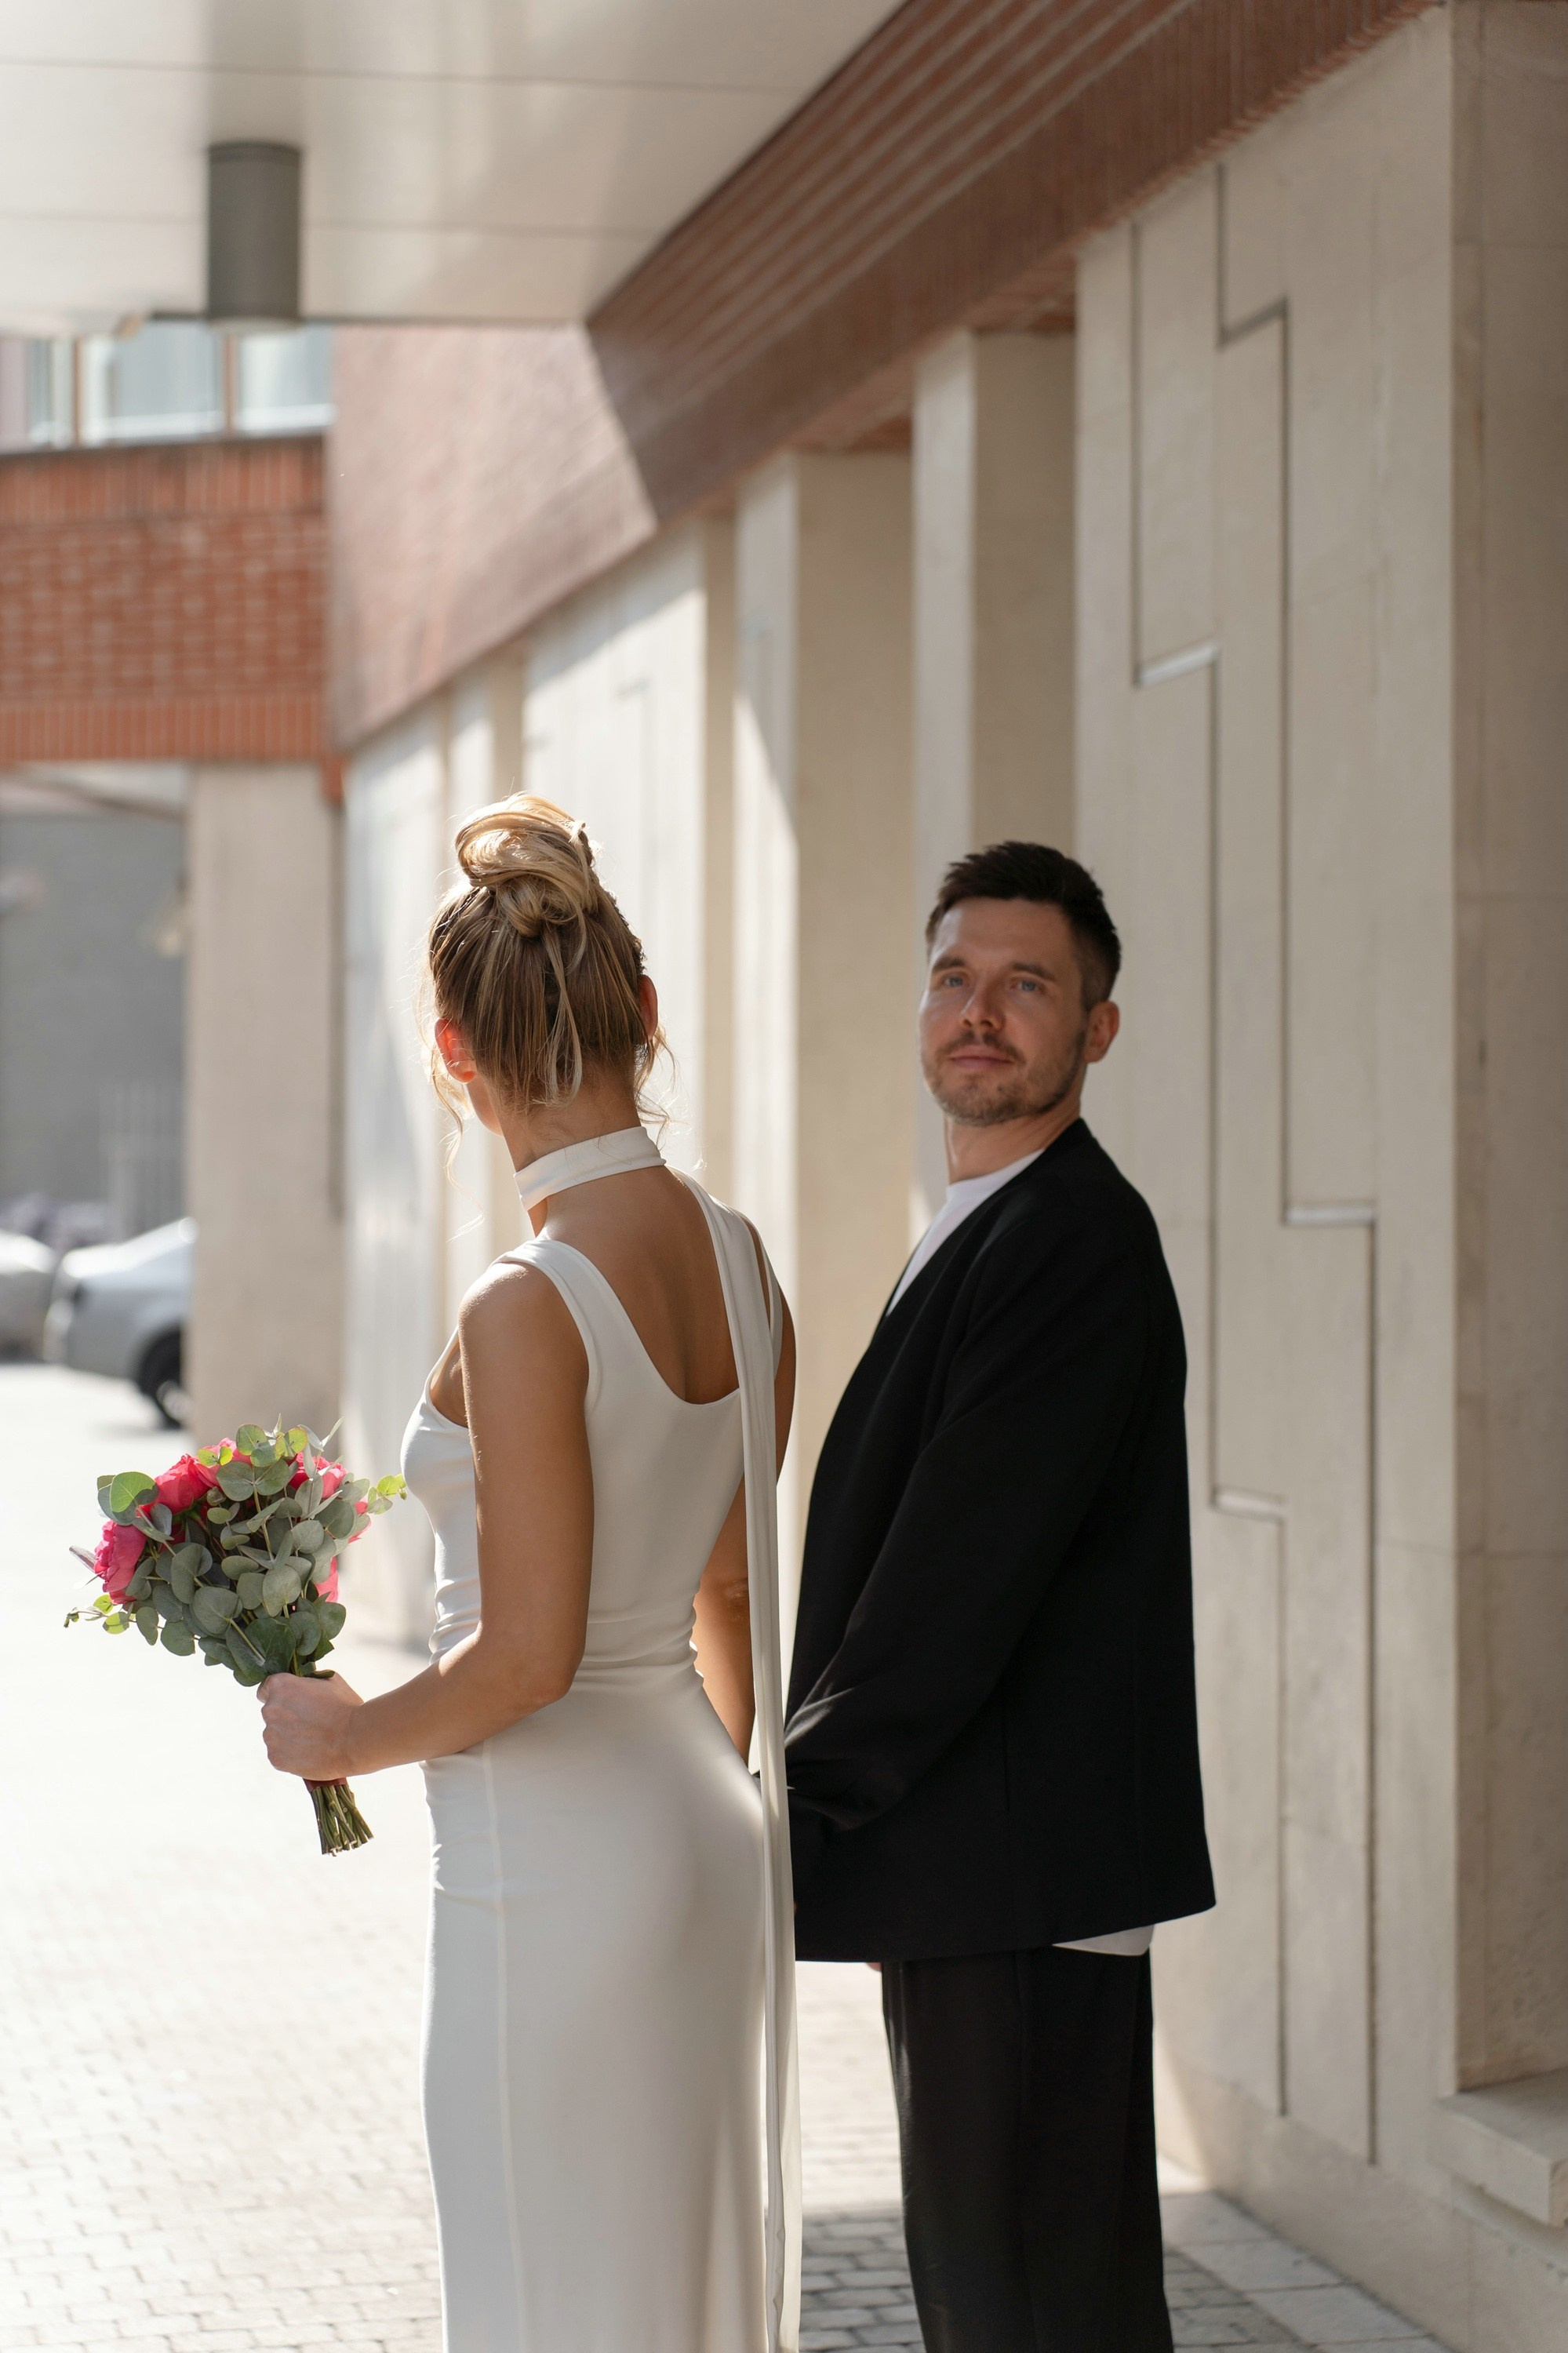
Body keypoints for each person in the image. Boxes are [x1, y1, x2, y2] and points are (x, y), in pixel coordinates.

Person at [260, 796, 802, 2353]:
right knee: (667, 2299)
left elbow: (530, 1657)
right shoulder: (743, 1261)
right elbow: (727, 1593)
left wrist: (344, 1737)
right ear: (644, 1010)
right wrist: (700, 1811)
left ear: (453, 1054)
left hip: (557, 1867)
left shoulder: (526, 1302)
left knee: (542, 2299)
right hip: (707, 1832)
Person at [785, 840, 1215, 2353]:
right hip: (979, 1865)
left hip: (1024, 1875)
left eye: (1027, 985)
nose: (979, 1012)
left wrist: (794, 1806)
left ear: (1098, 1027)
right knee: (1006, 2295)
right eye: (954, 978)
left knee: (1030, 2304)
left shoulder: (1073, 1239)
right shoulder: (991, 1218)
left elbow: (955, 1578)